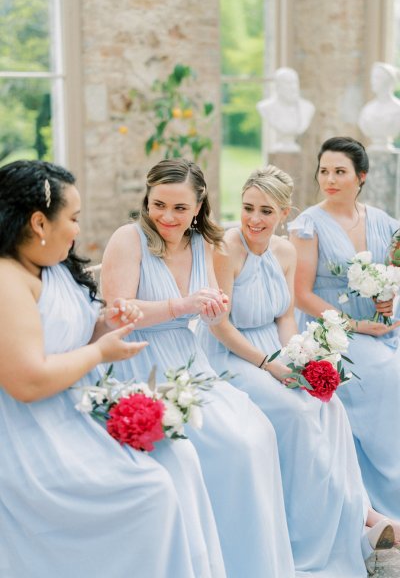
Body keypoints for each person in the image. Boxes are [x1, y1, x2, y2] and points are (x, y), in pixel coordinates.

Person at [0, 159, 226, 578]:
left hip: (81, 408)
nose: (78, 230)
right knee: (153, 492)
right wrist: (101, 352)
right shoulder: (8, 280)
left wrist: (109, 321)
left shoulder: (53, 267)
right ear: (38, 223)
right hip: (35, 431)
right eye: (73, 218)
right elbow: (28, 383)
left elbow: (77, 330)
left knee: (182, 458)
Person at [101, 158, 296, 578]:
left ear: (198, 206)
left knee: (258, 433)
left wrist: (212, 309)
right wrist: (181, 305)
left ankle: (251, 562)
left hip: (191, 360)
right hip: (139, 360)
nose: (166, 217)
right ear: (146, 198)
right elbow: (118, 314)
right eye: (158, 205)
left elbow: (211, 316)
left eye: (179, 208)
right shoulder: (128, 239)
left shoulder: (206, 244)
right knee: (231, 446)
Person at [196, 164, 394, 576]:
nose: (254, 219)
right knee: (298, 414)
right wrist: (270, 364)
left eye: (265, 211)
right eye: (248, 207)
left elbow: (286, 318)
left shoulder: (285, 252)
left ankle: (356, 517)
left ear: (284, 214)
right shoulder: (226, 250)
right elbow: (220, 325)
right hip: (233, 355)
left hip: (274, 349)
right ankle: (331, 530)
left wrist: (303, 359)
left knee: (329, 406)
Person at [289, 136, 400, 526]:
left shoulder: (385, 222)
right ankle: (386, 500)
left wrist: (389, 303)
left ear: (361, 177)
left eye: (340, 172)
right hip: (333, 331)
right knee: (388, 375)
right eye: (324, 171)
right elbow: (301, 295)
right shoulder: (307, 225)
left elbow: (394, 278)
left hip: (382, 329)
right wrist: (353, 324)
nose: (330, 180)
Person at [256, 67, 315, 153]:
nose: (293, 87)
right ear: (277, 86)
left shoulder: (308, 107)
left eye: (295, 83)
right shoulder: (266, 107)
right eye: (288, 83)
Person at [358, 62, 400, 151]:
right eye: (372, 77)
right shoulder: (367, 109)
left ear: (389, 81)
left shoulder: (397, 108)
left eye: (377, 77)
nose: (373, 81)